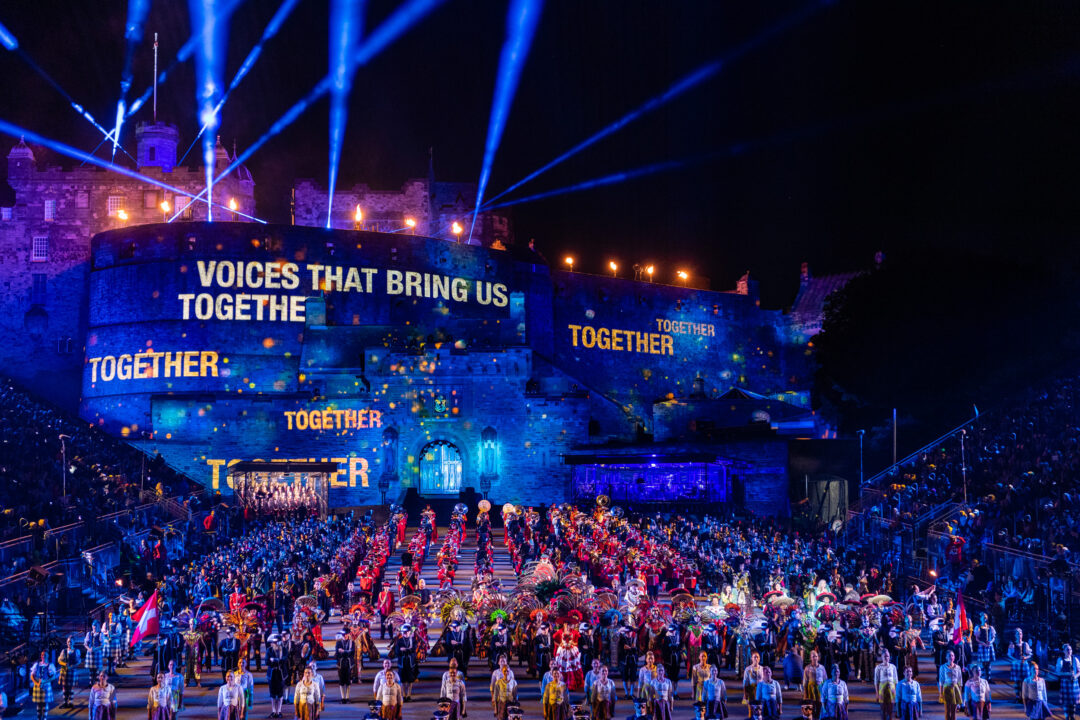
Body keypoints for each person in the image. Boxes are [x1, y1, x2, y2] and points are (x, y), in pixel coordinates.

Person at [30, 651, 56, 720]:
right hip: (37, 685)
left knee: (45, 703)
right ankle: (39, 718)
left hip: (46, 685)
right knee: (39, 703)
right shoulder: (37, 665)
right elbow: (32, 676)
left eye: (45, 655)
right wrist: (36, 683)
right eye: (42, 655)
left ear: (48, 656)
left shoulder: (50, 665)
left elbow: (53, 677)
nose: (43, 656)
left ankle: (44, 718)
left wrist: (45, 681)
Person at [490, 654, 518, 720]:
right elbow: (492, 686)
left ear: (506, 662)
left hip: (510, 699)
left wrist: (515, 699)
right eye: (501, 661)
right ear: (498, 663)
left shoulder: (511, 672)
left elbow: (513, 687)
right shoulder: (495, 673)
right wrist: (493, 698)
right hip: (500, 698)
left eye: (504, 661)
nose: (502, 663)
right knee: (500, 716)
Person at [265, 635, 287, 718]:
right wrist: (276, 661)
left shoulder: (284, 650)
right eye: (274, 642)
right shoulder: (269, 650)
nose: (276, 644)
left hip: (281, 673)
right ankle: (274, 711)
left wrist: (275, 660)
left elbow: (285, 659)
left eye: (277, 642)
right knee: (273, 693)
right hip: (272, 673)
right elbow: (267, 661)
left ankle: (279, 711)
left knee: (280, 693)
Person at [1009, 628, 1033, 703]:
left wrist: (1026, 657)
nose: (1019, 635)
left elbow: (1030, 654)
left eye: (1020, 634)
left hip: (1024, 663)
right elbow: (1009, 654)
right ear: (1015, 635)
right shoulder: (1013, 644)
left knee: (1024, 681)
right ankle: (1017, 696)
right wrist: (1015, 659)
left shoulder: (1025, 644)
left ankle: (1023, 696)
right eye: (1017, 634)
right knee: (1017, 681)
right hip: (1016, 664)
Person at [937, 650, 963, 720]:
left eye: (952, 655)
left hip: (955, 689)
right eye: (949, 655)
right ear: (946, 657)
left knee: (954, 711)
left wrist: (960, 692)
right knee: (947, 710)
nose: (951, 657)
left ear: (954, 657)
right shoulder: (943, 667)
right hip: (947, 689)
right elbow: (941, 681)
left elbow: (960, 681)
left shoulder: (958, 667)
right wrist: (941, 693)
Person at [1057, 643, 1080, 720]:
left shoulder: (1075, 659)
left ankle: (1072, 716)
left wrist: (1075, 676)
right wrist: (1067, 674)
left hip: (1073, 684)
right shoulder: (1060, 660)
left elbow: (1079, 671)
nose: (1069, 651)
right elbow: (1058, 672)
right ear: (1064, 651)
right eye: (1067, 649)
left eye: (1070, 649)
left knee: (1073, 703)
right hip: (1065, 683)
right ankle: (1067, 717)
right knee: (1066, 703)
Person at [874, 650, 898, 720]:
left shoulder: (893, 667)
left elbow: (895, 680)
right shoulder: (878, 667)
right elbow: (876, 681)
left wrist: (896, 692)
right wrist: (877, 694)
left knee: (890, 710)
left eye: (887, 656)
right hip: (882, 689)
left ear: (889, 657)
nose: (886, 658)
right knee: (883, 709)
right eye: (884, 656)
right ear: (882, 657)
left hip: (891, 689)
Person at [804, 649, 827, 720]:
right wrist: (805, 693)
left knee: (820, 705)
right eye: (813, 656)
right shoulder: (807, 668)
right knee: (812, 706)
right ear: (810, 658)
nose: (815, 658)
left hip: (820, 689)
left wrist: (825, 691)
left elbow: (825, 679)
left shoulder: (822, 667)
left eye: (816, 656)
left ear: (818, 657)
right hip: (811, 689)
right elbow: (805, 681)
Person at [741, 651, 765, 718]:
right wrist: (745, 694)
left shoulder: (762, 669)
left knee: (760, 710)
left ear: (759, 658)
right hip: (751, 691)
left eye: (757, 657)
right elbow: (745, 683)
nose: (756, 659)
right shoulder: (748, 669)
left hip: (760, 691)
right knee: (751, 710)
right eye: (754, 657)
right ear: (752, 658)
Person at [973, 614, 997, 679]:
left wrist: (990, 642)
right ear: (981, 619)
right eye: (983, 618)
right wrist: (983, 643)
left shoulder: (990, 627)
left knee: (989, 662)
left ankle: (988, 677)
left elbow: (993, 637)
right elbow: (977, 639)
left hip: (989, 646)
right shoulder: (978, 627)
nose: (984, 619)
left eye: (985, 618)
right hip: (982, 646)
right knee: (983, 663)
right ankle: (983, 677)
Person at [334, 630, 355, 703]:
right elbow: (337, 652)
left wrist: (343, 651)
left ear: (348, 635)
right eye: (343, 635)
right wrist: (346, 652)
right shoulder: (338, 642)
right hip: (341, 664)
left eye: (346, 634)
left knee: (348, 680)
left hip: (349, 664)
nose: (344, 636)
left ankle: (347, 697)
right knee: (341, 680)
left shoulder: (352, 642)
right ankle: (343, 698)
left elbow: (352, 652)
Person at [58, 636, 78, 708]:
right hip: (64, 671)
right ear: (67, 642)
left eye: (71, 641)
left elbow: (78, 661)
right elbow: (59, 660)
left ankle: (71, 702)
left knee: (71, 687)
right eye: (68, 641)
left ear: (74, 642)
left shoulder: (76, 651)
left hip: (72, 671)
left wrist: (72, 666)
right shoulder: (64, 651)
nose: (70, 643)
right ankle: (65, 702)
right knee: (64, 687)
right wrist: (65, 664)